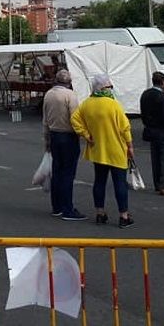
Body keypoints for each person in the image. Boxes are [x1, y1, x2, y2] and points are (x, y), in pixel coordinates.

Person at [71, 74, 135, 228]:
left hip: (98, 150)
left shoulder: (86, 104)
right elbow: (125, 127)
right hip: (116, 149)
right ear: (103, 88)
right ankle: (123, 216)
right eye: (109, 86)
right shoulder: (114, 105)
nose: (110, 89)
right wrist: (130, 146)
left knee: (99, 182)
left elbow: (74, 119)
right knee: (120, 183)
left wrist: (86, 135)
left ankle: (100, 213)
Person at [42, 69, 85, 220]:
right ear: (69, 82)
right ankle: (68, 208)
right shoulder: (70, 95)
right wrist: (83, 133)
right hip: (68, 135)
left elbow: (45, 120)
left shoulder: (49, 94)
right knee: (68, 173)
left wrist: (46, 140)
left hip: (54, 135)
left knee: (57, 171)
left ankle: (57, 206)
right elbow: (75, 118)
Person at [140, 71, 164, 196]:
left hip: (150, 129)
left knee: (155, 158)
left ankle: (158, 183)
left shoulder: (145, 94)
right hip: (163, 130)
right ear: (162, 82)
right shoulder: (162, 97)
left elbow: (142, 112)